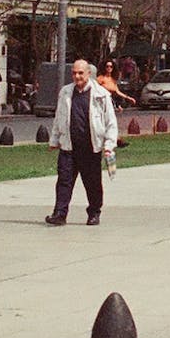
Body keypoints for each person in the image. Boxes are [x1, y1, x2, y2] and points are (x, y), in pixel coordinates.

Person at [46, 59, 118, 225]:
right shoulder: (65, 92)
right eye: (74, 73)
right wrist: (54, 139)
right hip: (69, 147)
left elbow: (110, 123)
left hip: (91, 148)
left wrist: (109, 146)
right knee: (64, 181)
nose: (77, 76)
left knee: (92, 183)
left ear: (88, 74)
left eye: (80, 73)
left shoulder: (101, 94)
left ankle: (94, 212)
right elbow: (59, 117)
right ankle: (60, 214)